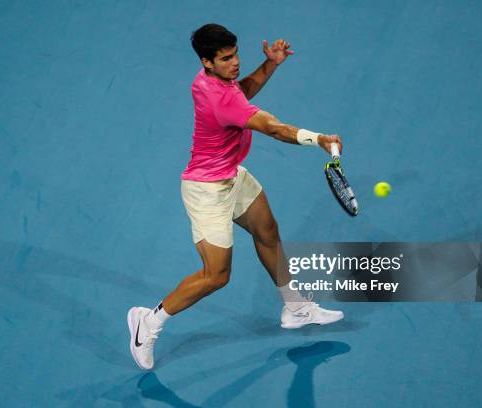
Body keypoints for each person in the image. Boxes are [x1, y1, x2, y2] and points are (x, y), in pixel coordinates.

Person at [128, 23, 344, 370]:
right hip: (207, 192)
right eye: (225, 58)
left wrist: (270, 64)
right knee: (216, 276)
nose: (235, 63)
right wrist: (318, 138)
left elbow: (241, 93)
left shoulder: (208, 81)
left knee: (268, 232)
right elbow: (272, 127)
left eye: (235, 54)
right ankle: (149, 321)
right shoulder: (219, 97)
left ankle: (295, 307)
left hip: (231, 176)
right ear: (207, 61)